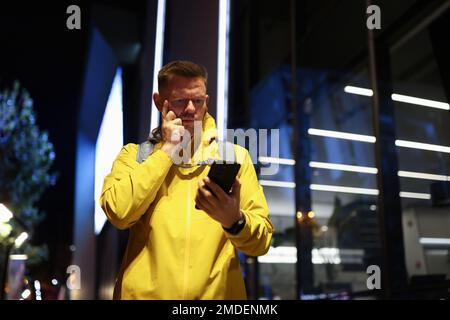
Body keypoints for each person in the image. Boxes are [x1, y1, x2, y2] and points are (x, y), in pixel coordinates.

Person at [100, 60, 273, 299]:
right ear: (160, 102)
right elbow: (118, 213)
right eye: (181, 101)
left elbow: (261, 242)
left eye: (198, 101)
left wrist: (235, 221)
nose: (191, 109)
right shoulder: (134, 156)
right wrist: (168, 150)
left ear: (207, 101)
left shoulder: (234, 157)